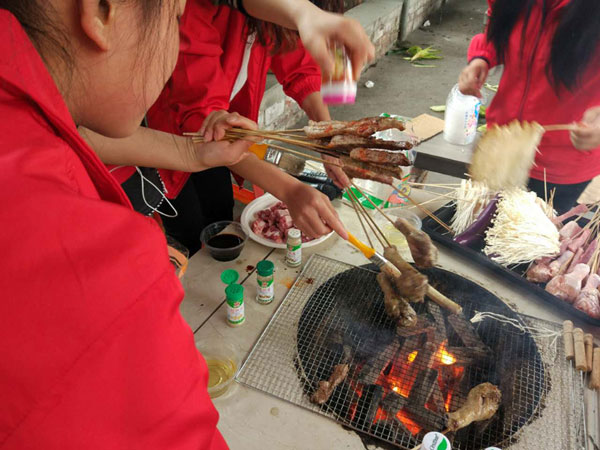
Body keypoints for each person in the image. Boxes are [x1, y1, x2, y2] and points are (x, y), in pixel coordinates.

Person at [0, 0, 372, 447]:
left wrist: (200, 153)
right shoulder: (105, 263)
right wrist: (283, 185)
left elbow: (77, 133)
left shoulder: (23, 103)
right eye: (175, 17)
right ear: (102, 12)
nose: (176, 41)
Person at [145, 0, 351, 254]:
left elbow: (298, 66)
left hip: (221, 133)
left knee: (220, 213)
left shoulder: (271, 17)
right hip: (168, 139)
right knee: (188, 230)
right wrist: (289, 189)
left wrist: (327, 136)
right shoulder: (194, 7)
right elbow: (200, 112)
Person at [458, 0, 600, 214]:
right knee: (479, 221)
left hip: (562, 162)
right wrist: (483, 57)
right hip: (500, 145)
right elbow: (499, 25)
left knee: (531, 231)